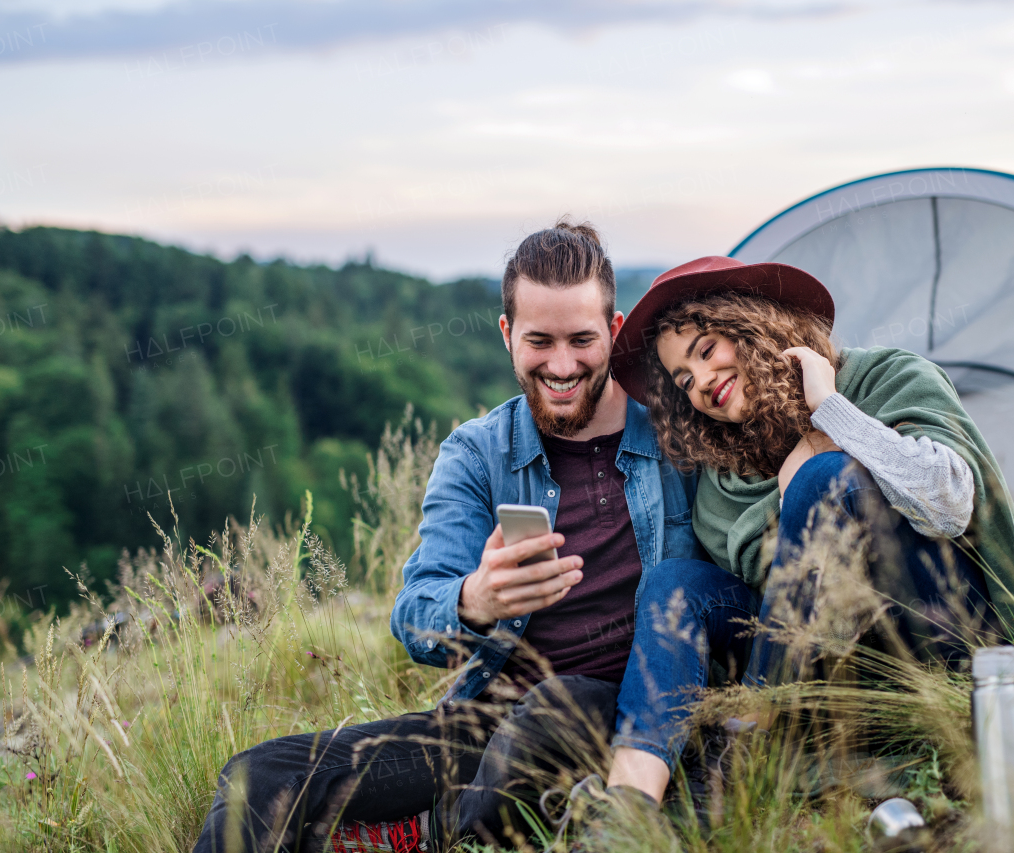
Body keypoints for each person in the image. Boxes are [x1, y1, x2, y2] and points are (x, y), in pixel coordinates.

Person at [191, 222, 706, 853]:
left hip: (621, 718)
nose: (563, 365)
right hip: (481, 725)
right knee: (258, 777)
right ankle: (413, 829)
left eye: (582, 340)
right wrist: (475, 599)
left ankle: (423, 835)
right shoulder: (478, 453)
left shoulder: (680, 435)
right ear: (507, 335)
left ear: (615, 331)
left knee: (552, 709)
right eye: (539, 341)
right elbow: (414, 614)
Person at [587, 255, 1014, 811]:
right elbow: (764, 620)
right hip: (833, 680)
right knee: (674, 581)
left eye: (706, 350)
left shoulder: (883, 377)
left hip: (944, 635)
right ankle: (624, 807)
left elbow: (950, 504)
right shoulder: (723, 478)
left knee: (824, 479)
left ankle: (745, 756)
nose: (701, 384)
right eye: (684, 380)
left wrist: (832, 414)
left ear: (752, 323)